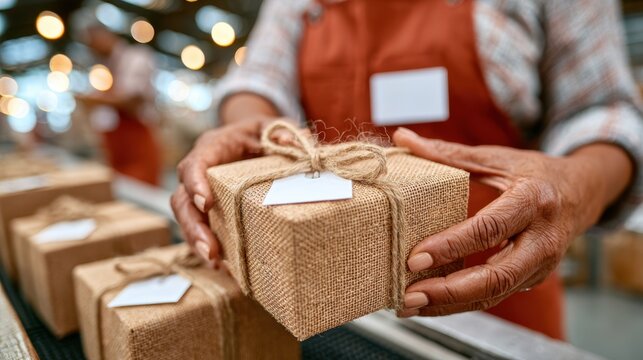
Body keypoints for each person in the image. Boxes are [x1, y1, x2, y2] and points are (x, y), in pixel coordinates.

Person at [171, 0, 643, 340]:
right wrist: (251, 125)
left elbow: (604, 108)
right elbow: (260, 78)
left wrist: (576, 186)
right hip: (327, 302)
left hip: (503, 302)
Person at [75, 22, 162, 186]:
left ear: (104, 35)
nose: (91, 49)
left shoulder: (136, 58)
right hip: (117, 150)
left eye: (92, 43)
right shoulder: (104, 68)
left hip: (138, 147)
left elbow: (132, 102)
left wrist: (93, 100)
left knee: (143, 194)